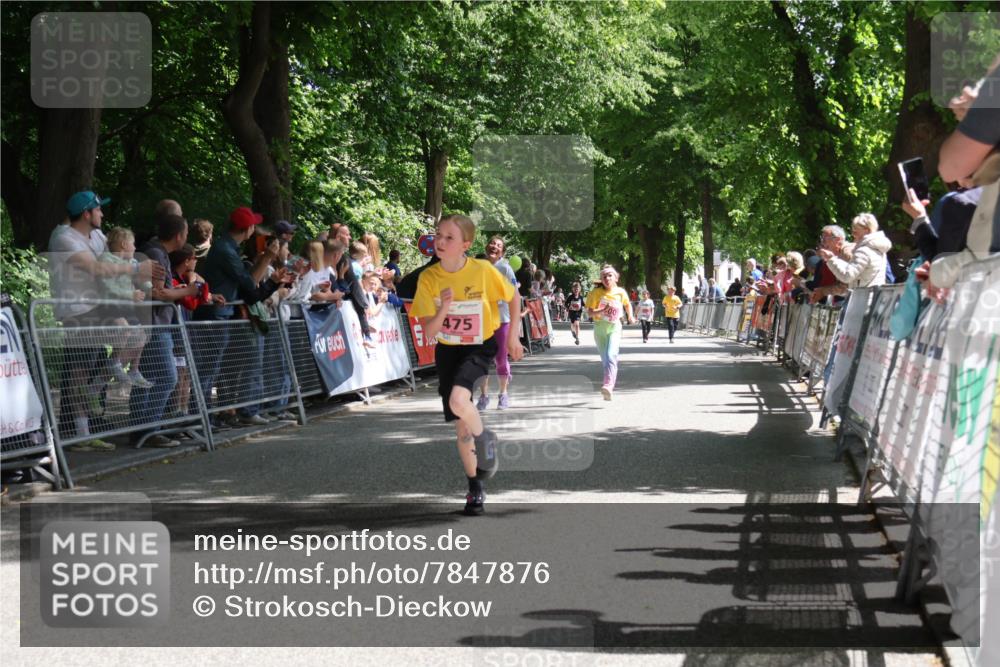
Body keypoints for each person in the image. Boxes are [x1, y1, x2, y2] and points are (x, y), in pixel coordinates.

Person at [410, 214, 523, 516]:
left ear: (466, 245)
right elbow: (429, 332)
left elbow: (514, 298)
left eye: (449, 237)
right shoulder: (429, 278)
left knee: (459, 400)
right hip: (448, 350)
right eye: (438, 235)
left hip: (479, 345)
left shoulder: (483, 270)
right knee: (462, 426)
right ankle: (475, 487)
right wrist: (444, 307)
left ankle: (484, 437)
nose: (441, 241)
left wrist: (512, 337)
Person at [46, 191, 159, 452]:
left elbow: (115, 253)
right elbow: (96, 268)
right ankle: (78, 433)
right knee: (79, 371)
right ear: (87, 214)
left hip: (98, 307)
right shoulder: (63, 237)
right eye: (98, 210)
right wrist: (134, 269)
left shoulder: (95, 235)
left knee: (124, 340)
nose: (102, 214)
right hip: (77, 311)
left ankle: (88, 422)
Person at [194, 206, 288, 428]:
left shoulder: (228, 248)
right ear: (247, 229)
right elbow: (251, 290)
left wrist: (268, 266)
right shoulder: (226, 250)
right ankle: (202, 419)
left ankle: (208, 418)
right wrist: (268, 260)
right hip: (214, 315)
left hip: (222, 314)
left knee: (214, 369)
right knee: (209, 370)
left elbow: (248, 285)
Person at [97, 228, 153, 388]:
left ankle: (134, 370)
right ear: (123, 244)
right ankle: (113, 361)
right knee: (125, 329)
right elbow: (107, 287)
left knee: (142, 335)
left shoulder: (133, 262)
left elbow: (142, 280)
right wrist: (131, 294)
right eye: (133, 244)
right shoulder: (105, 259)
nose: (135, 248)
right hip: (110, 304)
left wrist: (152, 290)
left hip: (127, 306)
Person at [475, 235, 518, 411]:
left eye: (498, 245)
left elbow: (515, 295)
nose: (494, 246)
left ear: (502, 251)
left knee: (500, 359)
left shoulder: (506, 269)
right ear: (487, 247)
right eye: (492, 243)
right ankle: (484, 396)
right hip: (481, 319)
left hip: (501, 319)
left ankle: (503, 394)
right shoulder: (477, 267)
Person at [585, 265, 634, 401]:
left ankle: (608, 386)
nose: (607, 278)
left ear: (616, 278)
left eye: (610, 276)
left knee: (611, 355)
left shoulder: (620, 292)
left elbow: (627, 304)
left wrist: (630, 316)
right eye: (604, 276)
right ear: (601, 279)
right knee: (605, 359)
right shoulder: (595, 293)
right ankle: (608, 386)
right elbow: (589, 312)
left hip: (614, 327)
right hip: (600, 327)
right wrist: (602, 310)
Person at [818, 213, 891, 289]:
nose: (852, 234)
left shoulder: (863, 252)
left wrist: (831, 259)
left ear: (867, 231)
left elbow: (847, 277)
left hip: (862, 298)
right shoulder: (878, 249)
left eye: (855, 231)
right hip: (874, 296)